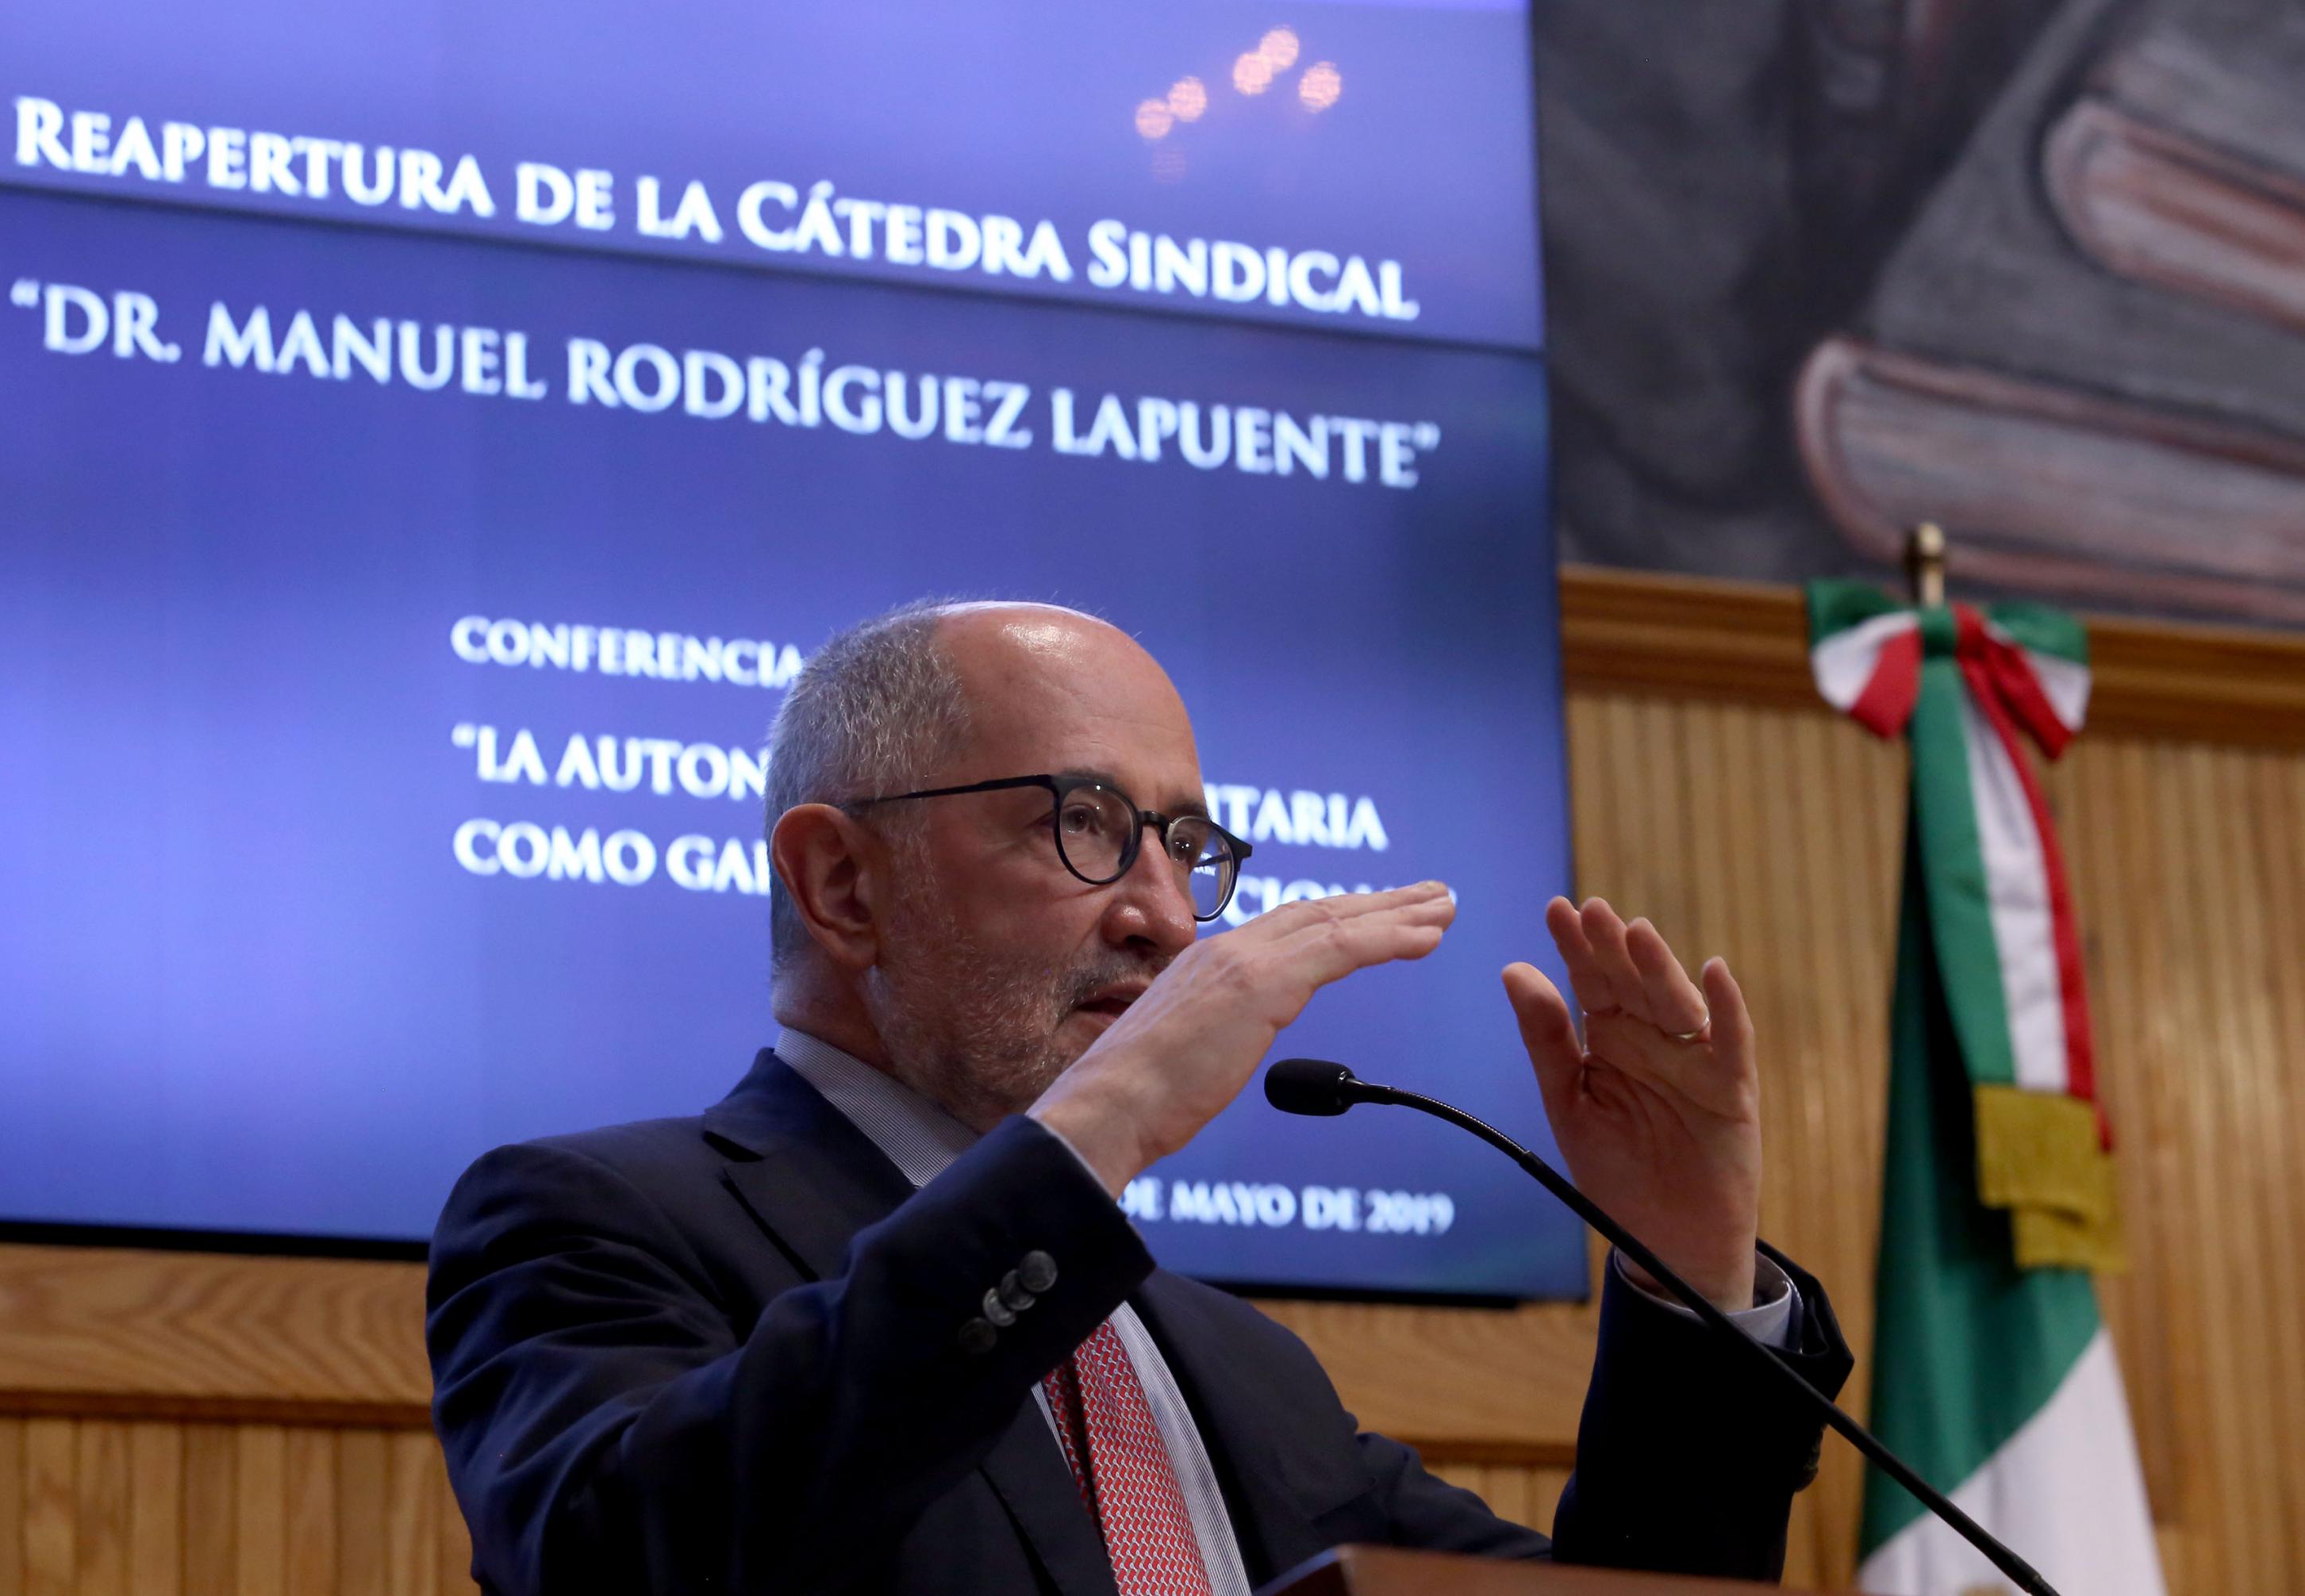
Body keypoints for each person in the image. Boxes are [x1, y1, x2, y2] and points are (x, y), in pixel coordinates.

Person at [426, 600, 1851, 1596]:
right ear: (844, 884)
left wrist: (1689, 1271)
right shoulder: (594, 1222)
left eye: (1184, 844)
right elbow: (630, 1561)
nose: (1168, 919)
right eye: (1087, 825)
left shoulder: (1238, 1367)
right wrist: (1097, 1129)